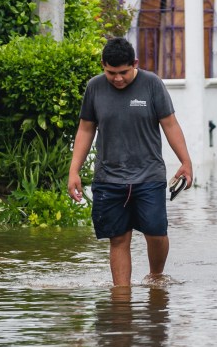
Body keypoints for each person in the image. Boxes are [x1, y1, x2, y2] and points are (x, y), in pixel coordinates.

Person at [67, 37, 193, 287]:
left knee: (156, 233)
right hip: (108, 178)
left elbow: (170, 124)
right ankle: (121, 296)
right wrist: (74, 171)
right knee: (118, 239)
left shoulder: (152, 85)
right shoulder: (94, 87)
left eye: (123, 72)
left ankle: (156, 278)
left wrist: (185, 161)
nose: (117, 78)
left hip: (149, 175)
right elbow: (85, 130)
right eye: (111, 72)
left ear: (134, 63)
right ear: (103, 65)